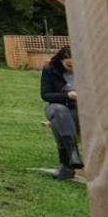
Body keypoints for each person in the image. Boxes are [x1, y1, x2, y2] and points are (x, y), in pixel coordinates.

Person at [41, 46, 83, 180]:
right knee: (59, 113)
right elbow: (46, 95)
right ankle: (73, 153)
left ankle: (67, 166)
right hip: (59, 106)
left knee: (58, 122)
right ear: (61, 61)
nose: (72, 67)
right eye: (69, 64)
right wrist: (68, 95)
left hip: (82, 111)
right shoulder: (50, 70)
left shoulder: (88, 71)